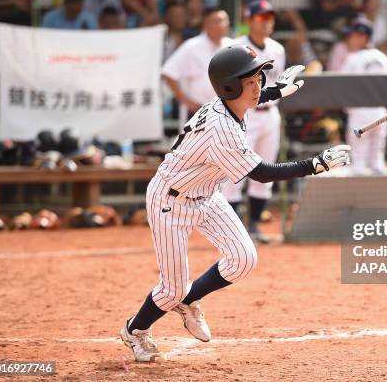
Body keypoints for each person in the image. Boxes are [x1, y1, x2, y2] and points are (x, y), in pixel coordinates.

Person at [120, 44, 351, 362]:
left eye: (259, 79)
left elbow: (249, 98)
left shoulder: (226, 104)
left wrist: (278, 90)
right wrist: (316, 165)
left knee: (243, 258)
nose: (258, 86)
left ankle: (189, 300)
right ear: (230, 86)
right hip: (170, 202)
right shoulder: (222, 130)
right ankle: (135, 330)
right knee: (170, 289)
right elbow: (262, 173)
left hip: (206, 194)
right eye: (252, 81)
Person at [220, 0, 285, 243]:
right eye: (260, 17)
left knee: (265, 173)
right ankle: (233, 235)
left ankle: (254, 227)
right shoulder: (236, 47)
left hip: (270, 114)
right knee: (234, 175)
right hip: (244, 114)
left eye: (269, 16)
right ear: (249, 21)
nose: (266, 21)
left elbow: (278, 84)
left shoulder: (277, 49)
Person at [162, 8, 232, 122]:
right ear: (206, 24)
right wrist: (185, 100)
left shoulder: (233, 46)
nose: (222, 24)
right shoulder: (192, 46)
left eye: (225, 20)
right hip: (200, 111)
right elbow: (168, 72)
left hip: (228, 111)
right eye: (217, 21)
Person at [341, 17, 387, 175]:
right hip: (380, 113)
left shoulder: (352, 58)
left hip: (359, 112)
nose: (349, 39)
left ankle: (360, 199)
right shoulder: (382, 58)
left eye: (353, 35)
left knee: (359, 165)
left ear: (363, 36)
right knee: (377, 162)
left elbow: (340, 86)